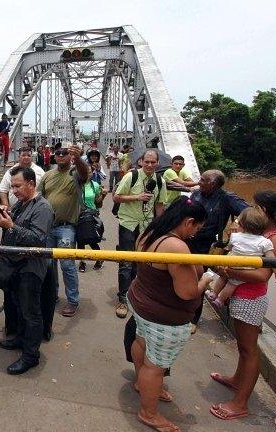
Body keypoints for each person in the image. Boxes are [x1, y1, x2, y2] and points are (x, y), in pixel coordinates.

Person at [209, 190, 276, 421]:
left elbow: (262, 275)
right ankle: (237, 380)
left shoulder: (274, 239)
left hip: (251, 298)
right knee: (243, 346)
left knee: (250, 350)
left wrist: (229, 270)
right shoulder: (259, 233)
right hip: (241, 294)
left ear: (265, 211)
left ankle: (240, 403)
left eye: (255, 205)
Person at [128, 196, 207, 432]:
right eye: (196, 229)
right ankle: (149, 413)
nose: (195, 234)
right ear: (188, 221)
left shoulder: (149, 232)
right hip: (163, 317)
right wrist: (206, 280)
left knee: (141, 343)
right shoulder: (176, 246)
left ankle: (143, 386)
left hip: (140, 303)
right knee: (155, 366)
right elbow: (187, 292)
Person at [0, 166, 54, 375]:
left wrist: (11, 226)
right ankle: (20, 339)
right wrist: (5, 219)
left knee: (31, 312)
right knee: (18, 306)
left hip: (30, 268)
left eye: (18, 186)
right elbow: (16, 229)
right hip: (15, 266)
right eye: (12, 187)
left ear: (31, 184)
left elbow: (37, 239)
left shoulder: (43, 208)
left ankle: (31, 356)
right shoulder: (21, 204)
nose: (14, 191)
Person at [186, 169, 249, 331]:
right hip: (187, 241)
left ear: (213, 184)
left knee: (198, 278)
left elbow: (250, 213)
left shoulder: (226, 198)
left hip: (206, 245)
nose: (199, 182)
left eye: (203, 180)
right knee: (181, 275)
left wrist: (237, 224)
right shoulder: (196, 194)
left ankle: (193, 319)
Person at [113, 149, 168, 319]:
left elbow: (159, 205)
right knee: (127, 261)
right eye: (147, 162)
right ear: (141, 162)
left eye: (153, 162)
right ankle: (123, 298)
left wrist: (160, 228)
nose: (150, 165)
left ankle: (136, 296)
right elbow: (116, 197)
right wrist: (137, 197)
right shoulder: (131, 177)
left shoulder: (160, 181)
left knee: (141, 262)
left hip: (146, 225)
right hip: (128, 223)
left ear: (157, 163)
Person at [39, 145, 90, 317]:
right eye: (58, 153)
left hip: (66, 227)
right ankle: (51, 295)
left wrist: (79, 159)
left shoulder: (75, 172)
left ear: (70, 157)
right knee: (48, 265)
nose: (60, 155)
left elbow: (84, 175)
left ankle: (73, 300)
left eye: (65, 153)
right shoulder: (47, 175)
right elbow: (37, 197)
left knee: (67, 264)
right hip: (47, 227)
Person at [204, 207, 276, 307]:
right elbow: (271, 259)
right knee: (232, 284)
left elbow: (230, 248)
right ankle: (220, 300)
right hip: (247, 268)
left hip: (230, 263)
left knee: (223, 277)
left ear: (242, 225)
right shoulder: (265, 242)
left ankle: (214, 293)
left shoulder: (235, 236)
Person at [77, 175, 107, 272]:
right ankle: (82, 262)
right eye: (85, 172)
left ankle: (99, 258)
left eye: (89, 171)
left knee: (91, 239)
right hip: (77, 215)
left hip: (90, 215)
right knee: (80, 240)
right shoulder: (75, 184)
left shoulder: (95, 185)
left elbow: (97, 201)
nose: (87, 174)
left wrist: (103, 195)